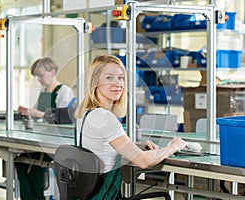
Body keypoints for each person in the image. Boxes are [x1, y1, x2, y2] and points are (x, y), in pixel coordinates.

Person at [74, 54, 187, 199]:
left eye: (120, 78)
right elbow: (143, 161)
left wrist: (135, 146)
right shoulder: (105, 118)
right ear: (95, 82)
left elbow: (103, 147)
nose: (118, 84)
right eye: (109, 78)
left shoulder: (87, 114)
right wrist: (172, 147)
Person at [16, 57, 75, 200]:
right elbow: (37, 113)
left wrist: (38, 114)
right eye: (36, 76)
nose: (39, 79)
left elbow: (64, 118)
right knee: (20, 160)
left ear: (52, 72)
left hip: (57, 141)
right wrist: (28, 112)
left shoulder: (64, 91)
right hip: (42, 137)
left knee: (28, 161)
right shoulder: (43, 91)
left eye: (41, 75)